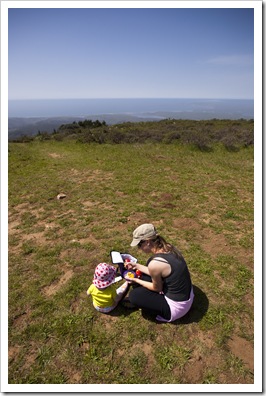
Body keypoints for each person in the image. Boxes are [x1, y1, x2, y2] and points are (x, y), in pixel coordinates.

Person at [124, 223, 194, 322]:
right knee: (144, 276)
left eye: (140, 244)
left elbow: (157, 288)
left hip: (176, 308)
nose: (139, 248)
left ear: (148, 242)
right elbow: (157, 271)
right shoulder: (169, 247)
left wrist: (135, 280)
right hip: (186, 295)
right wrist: (136, 265)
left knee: (134, 296)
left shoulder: (155, 264)